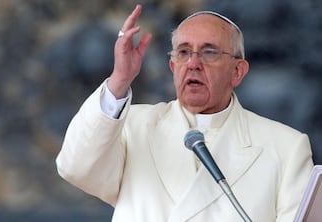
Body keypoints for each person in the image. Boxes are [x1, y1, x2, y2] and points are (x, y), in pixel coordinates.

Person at [56, 4, 314, 222]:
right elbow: (75, 168)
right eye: (183, 52)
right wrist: (120, 80)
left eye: (209, 52)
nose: (193, 64)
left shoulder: (286, 148)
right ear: (172, 66)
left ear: (237, 72)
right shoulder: (131, 126)